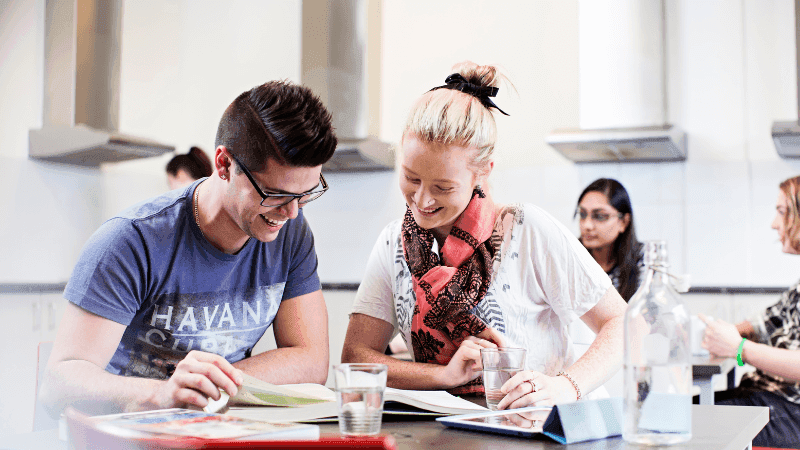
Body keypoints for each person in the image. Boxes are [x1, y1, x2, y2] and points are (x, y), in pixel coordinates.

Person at [40, 80, 338, 417]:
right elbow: (58, 382)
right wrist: (164, 393)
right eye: (276, 194)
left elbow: (311, 360)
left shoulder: (290, 232)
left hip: (217, 428)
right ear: (224, 165)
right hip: (128, 434)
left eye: (306, 194)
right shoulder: (132, 241)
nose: (292, 212)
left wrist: (207, 384)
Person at [341, 62, 627, 409]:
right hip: (441, 432)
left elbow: (624, 324)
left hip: (534, 429)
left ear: (482, 172)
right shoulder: (393, 243)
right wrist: (442, 376)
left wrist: (564, 388)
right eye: (411, 178)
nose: (422, 200)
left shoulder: (526, 230)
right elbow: (357, 358)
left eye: (443, 187)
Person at [699, 175, 800, 448]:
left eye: (782, 212)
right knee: (685, 410)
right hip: (770, 396)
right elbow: (762, 323)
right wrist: (727, 333)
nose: (774, 224)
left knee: (685, 420)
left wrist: (739, 347)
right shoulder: (797, 289)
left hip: (792, 413)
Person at [575, 178, 643, 301]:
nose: (587, 225)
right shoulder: (570, 257)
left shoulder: (644, 258)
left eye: (600, 216)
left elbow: (650, 312)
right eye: (582, 214)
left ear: (623, 222)